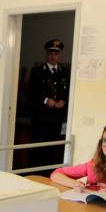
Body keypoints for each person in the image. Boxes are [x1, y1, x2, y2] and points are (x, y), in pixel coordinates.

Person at [29, 39, 70, 167]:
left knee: (54, 149)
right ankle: (36, 172)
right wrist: (46, 100)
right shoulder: (37, 71)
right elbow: (31, 92)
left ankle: (50, 173)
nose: (53, 57)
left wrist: (64, 101)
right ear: (47, 54)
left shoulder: (65, 72)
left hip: (57, 119)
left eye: (56, 54)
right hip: (41, 119)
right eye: (51, 54)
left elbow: (69, 91)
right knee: (39, 149)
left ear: (60, 55)